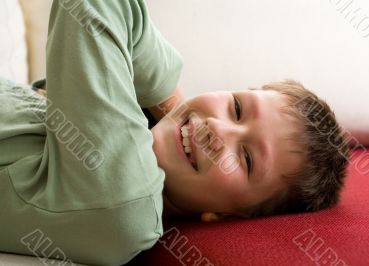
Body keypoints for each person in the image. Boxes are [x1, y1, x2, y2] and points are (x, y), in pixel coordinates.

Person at [0, 1, 349, 266]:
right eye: (237, 108)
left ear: (227, 216)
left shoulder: (127, 202)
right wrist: (174, 113)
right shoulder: (127, 132)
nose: (218, 128)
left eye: (246, 158)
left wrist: (171, 103)